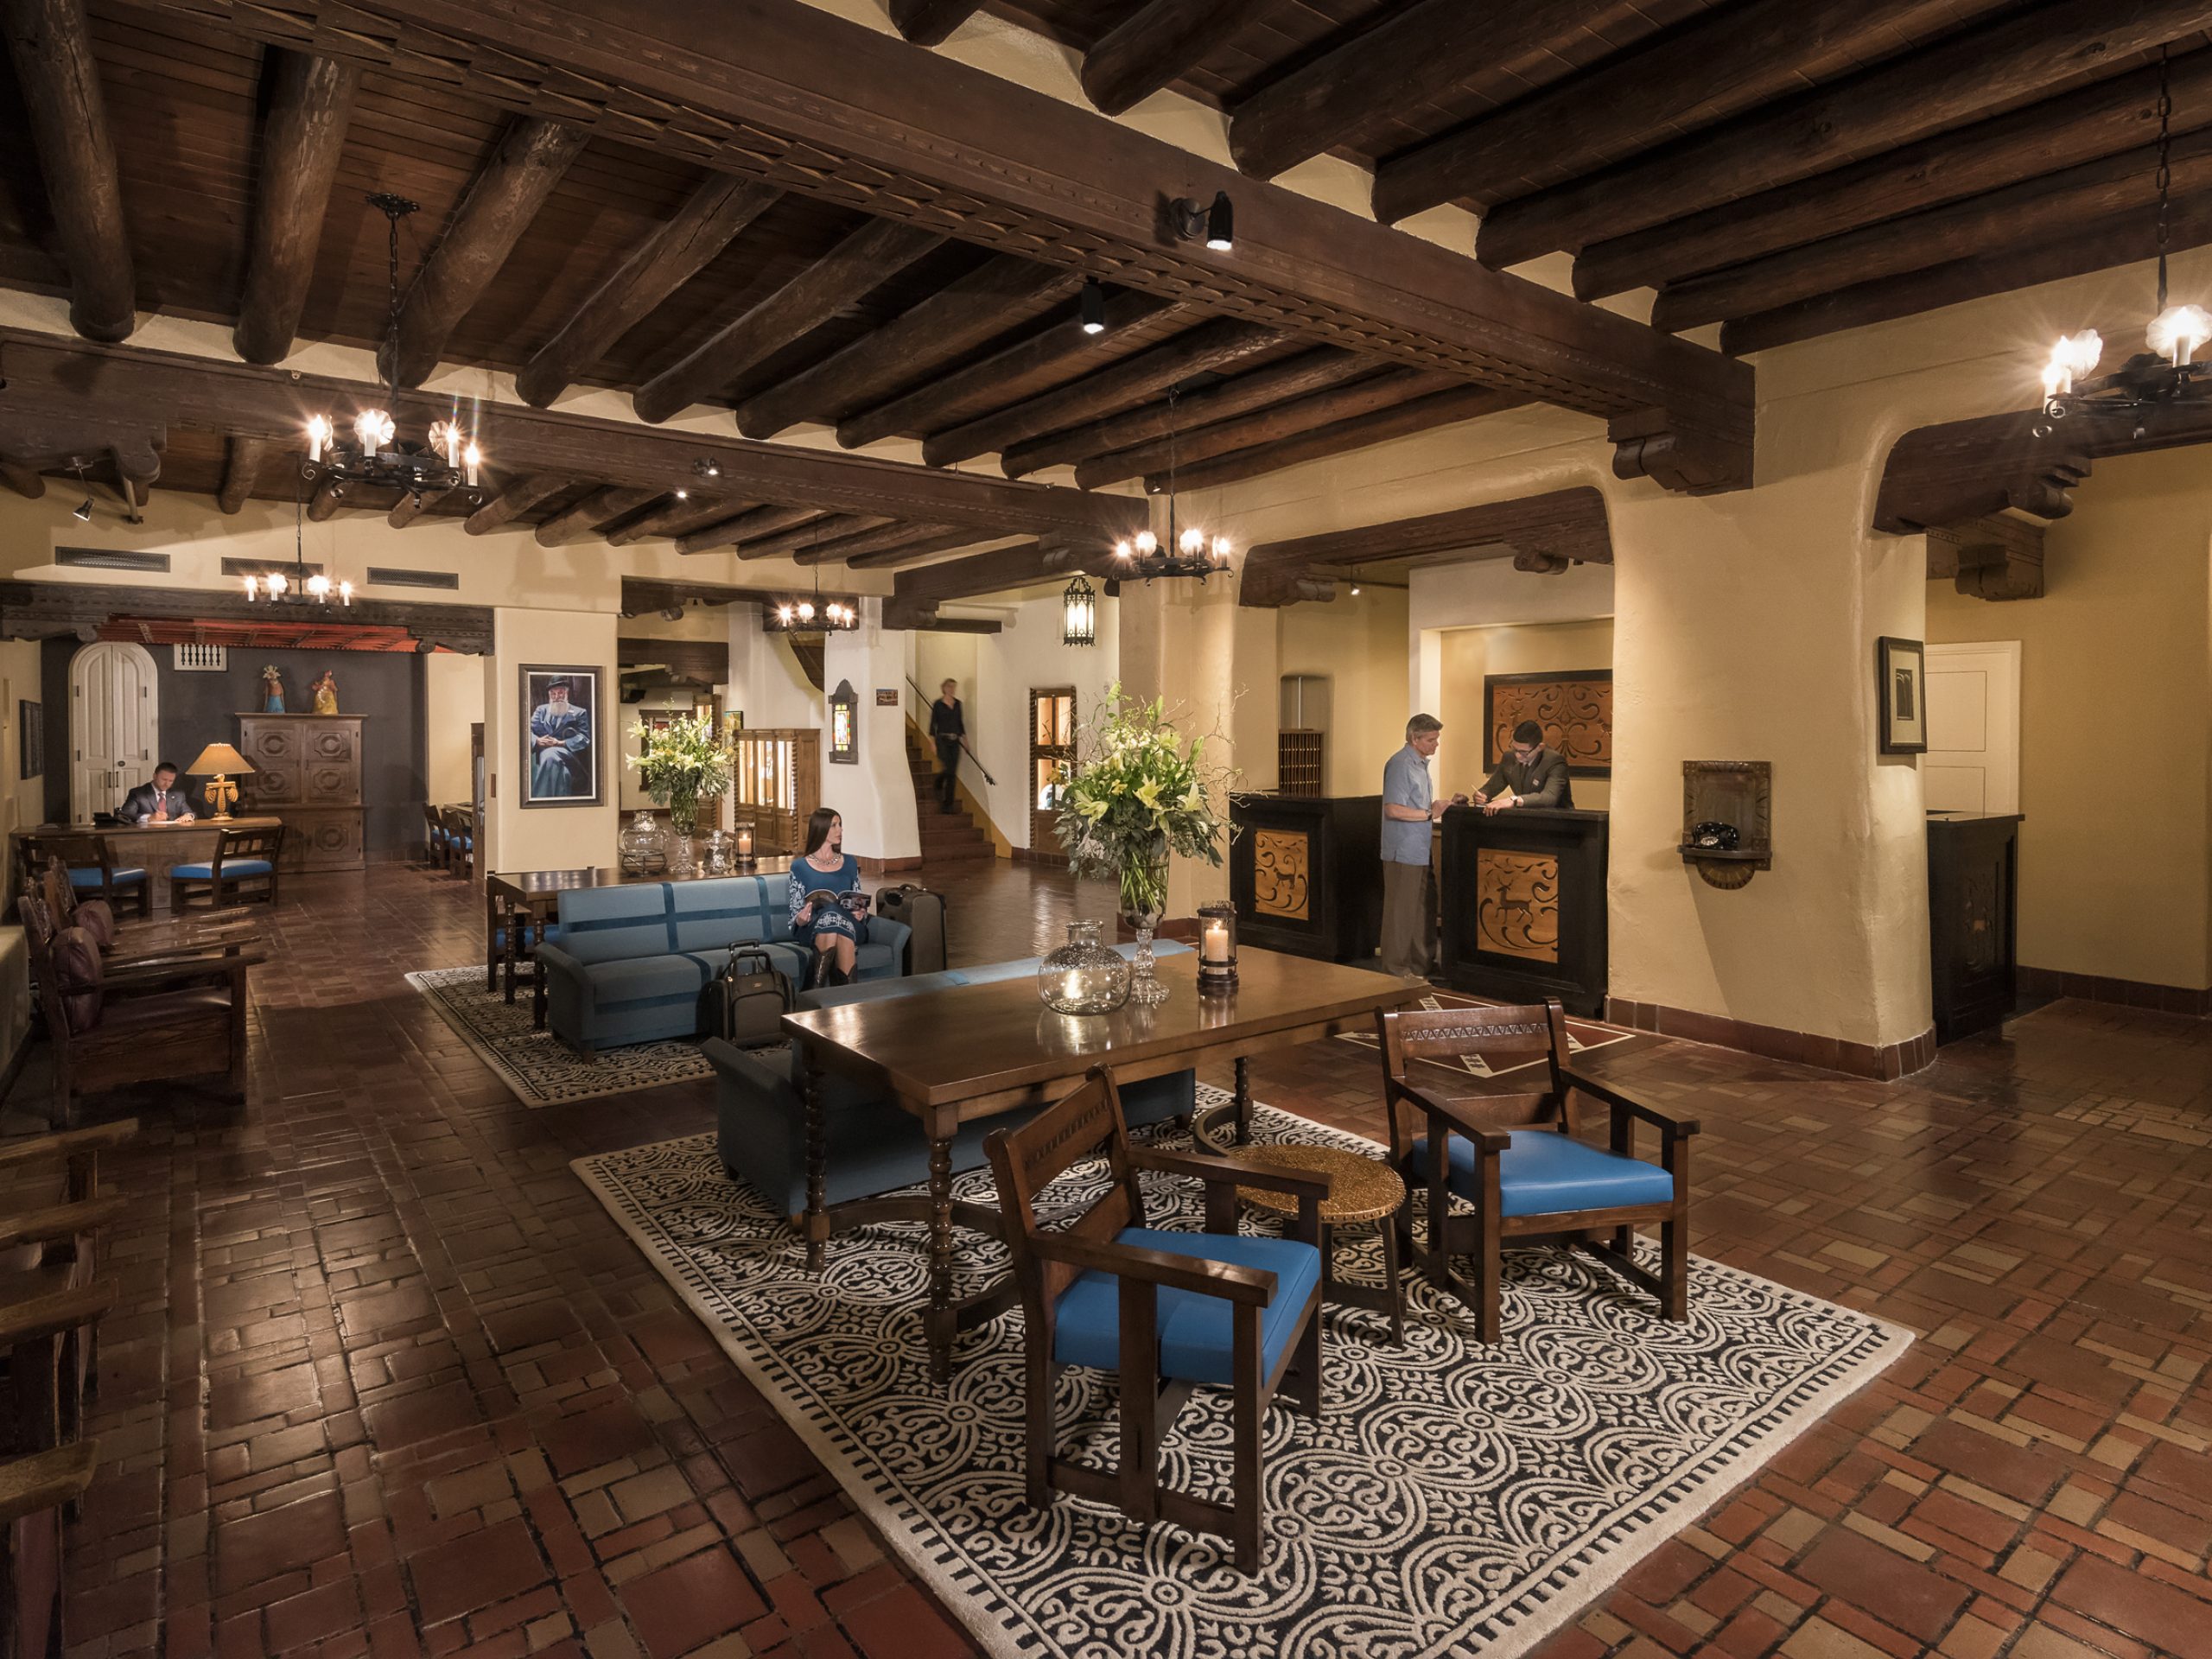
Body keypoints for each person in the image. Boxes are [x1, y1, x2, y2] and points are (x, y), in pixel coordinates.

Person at [1380, 714, 1453, 980]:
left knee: (1423, 909)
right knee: (1400, 912)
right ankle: (1395, 969)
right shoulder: (1400, 764)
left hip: (1421, 849)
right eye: (1431, 740)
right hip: (1403, 850)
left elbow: (1418, 807)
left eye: (1437, 739)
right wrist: (1430, 813)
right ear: (1414, 739)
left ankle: (1421, 964)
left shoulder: (1420, 765)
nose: (1436, 744)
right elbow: (1392, 809)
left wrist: (1443, 805)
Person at [790, 807, 868, 988]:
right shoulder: (800, 867)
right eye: (834, 825)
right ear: (821, 828)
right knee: (833, 922)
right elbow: (794, 913)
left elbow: (858, 900)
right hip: (813, 926)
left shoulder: (850, 862)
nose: (840, 830)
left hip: (851, 924)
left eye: (840, 825)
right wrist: (801, 919)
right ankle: (848, 997)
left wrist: (860, 912)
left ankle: (814, 990)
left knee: (833, 914)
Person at [1472, 720, 1574, 815]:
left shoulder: (1554, 761)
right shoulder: (1509, 757)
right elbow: (1491, 788)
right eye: (1515, 749)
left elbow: (1549, 797)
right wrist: (1482, 795)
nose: (1517, 756)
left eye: (1524, 752)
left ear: (1540, 747)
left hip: (1557, 820)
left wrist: (1513, 800)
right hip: (1524, 818)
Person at [530, 677, 593, 800]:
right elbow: (528, 731)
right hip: (543, 754)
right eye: (553, 694)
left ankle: (539, 800)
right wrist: (537, 741)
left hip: (568, 754)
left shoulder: (579, 712)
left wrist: (561, 743)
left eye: (560, 693)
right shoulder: (541, 710)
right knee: (564, 774)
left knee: (550, 754)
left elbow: (584, 738)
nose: (556, 697)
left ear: (566, 693)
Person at [118, 761, 194, 824]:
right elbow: (126, 814)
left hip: (173, 834)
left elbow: (189, 812)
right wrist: (149, 818)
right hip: (147, 834)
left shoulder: (178, 794)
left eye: (171, 781)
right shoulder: (138, 793)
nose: (167, 784)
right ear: (155, 776)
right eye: (164, 780)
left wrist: (188, 816)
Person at [929, 678, 964, 813]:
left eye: (954, 687)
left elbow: (960, 723)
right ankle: (938, 782)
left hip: (955, 741)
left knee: (952, 773)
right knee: (949, 769)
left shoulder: (958, 704)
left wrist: (965, 740)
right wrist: (932, 742)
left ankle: (948, 805)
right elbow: (933, 724)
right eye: (949, 687)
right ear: (944, 688)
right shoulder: (938, 704)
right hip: (942, 741)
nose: (951, 689)